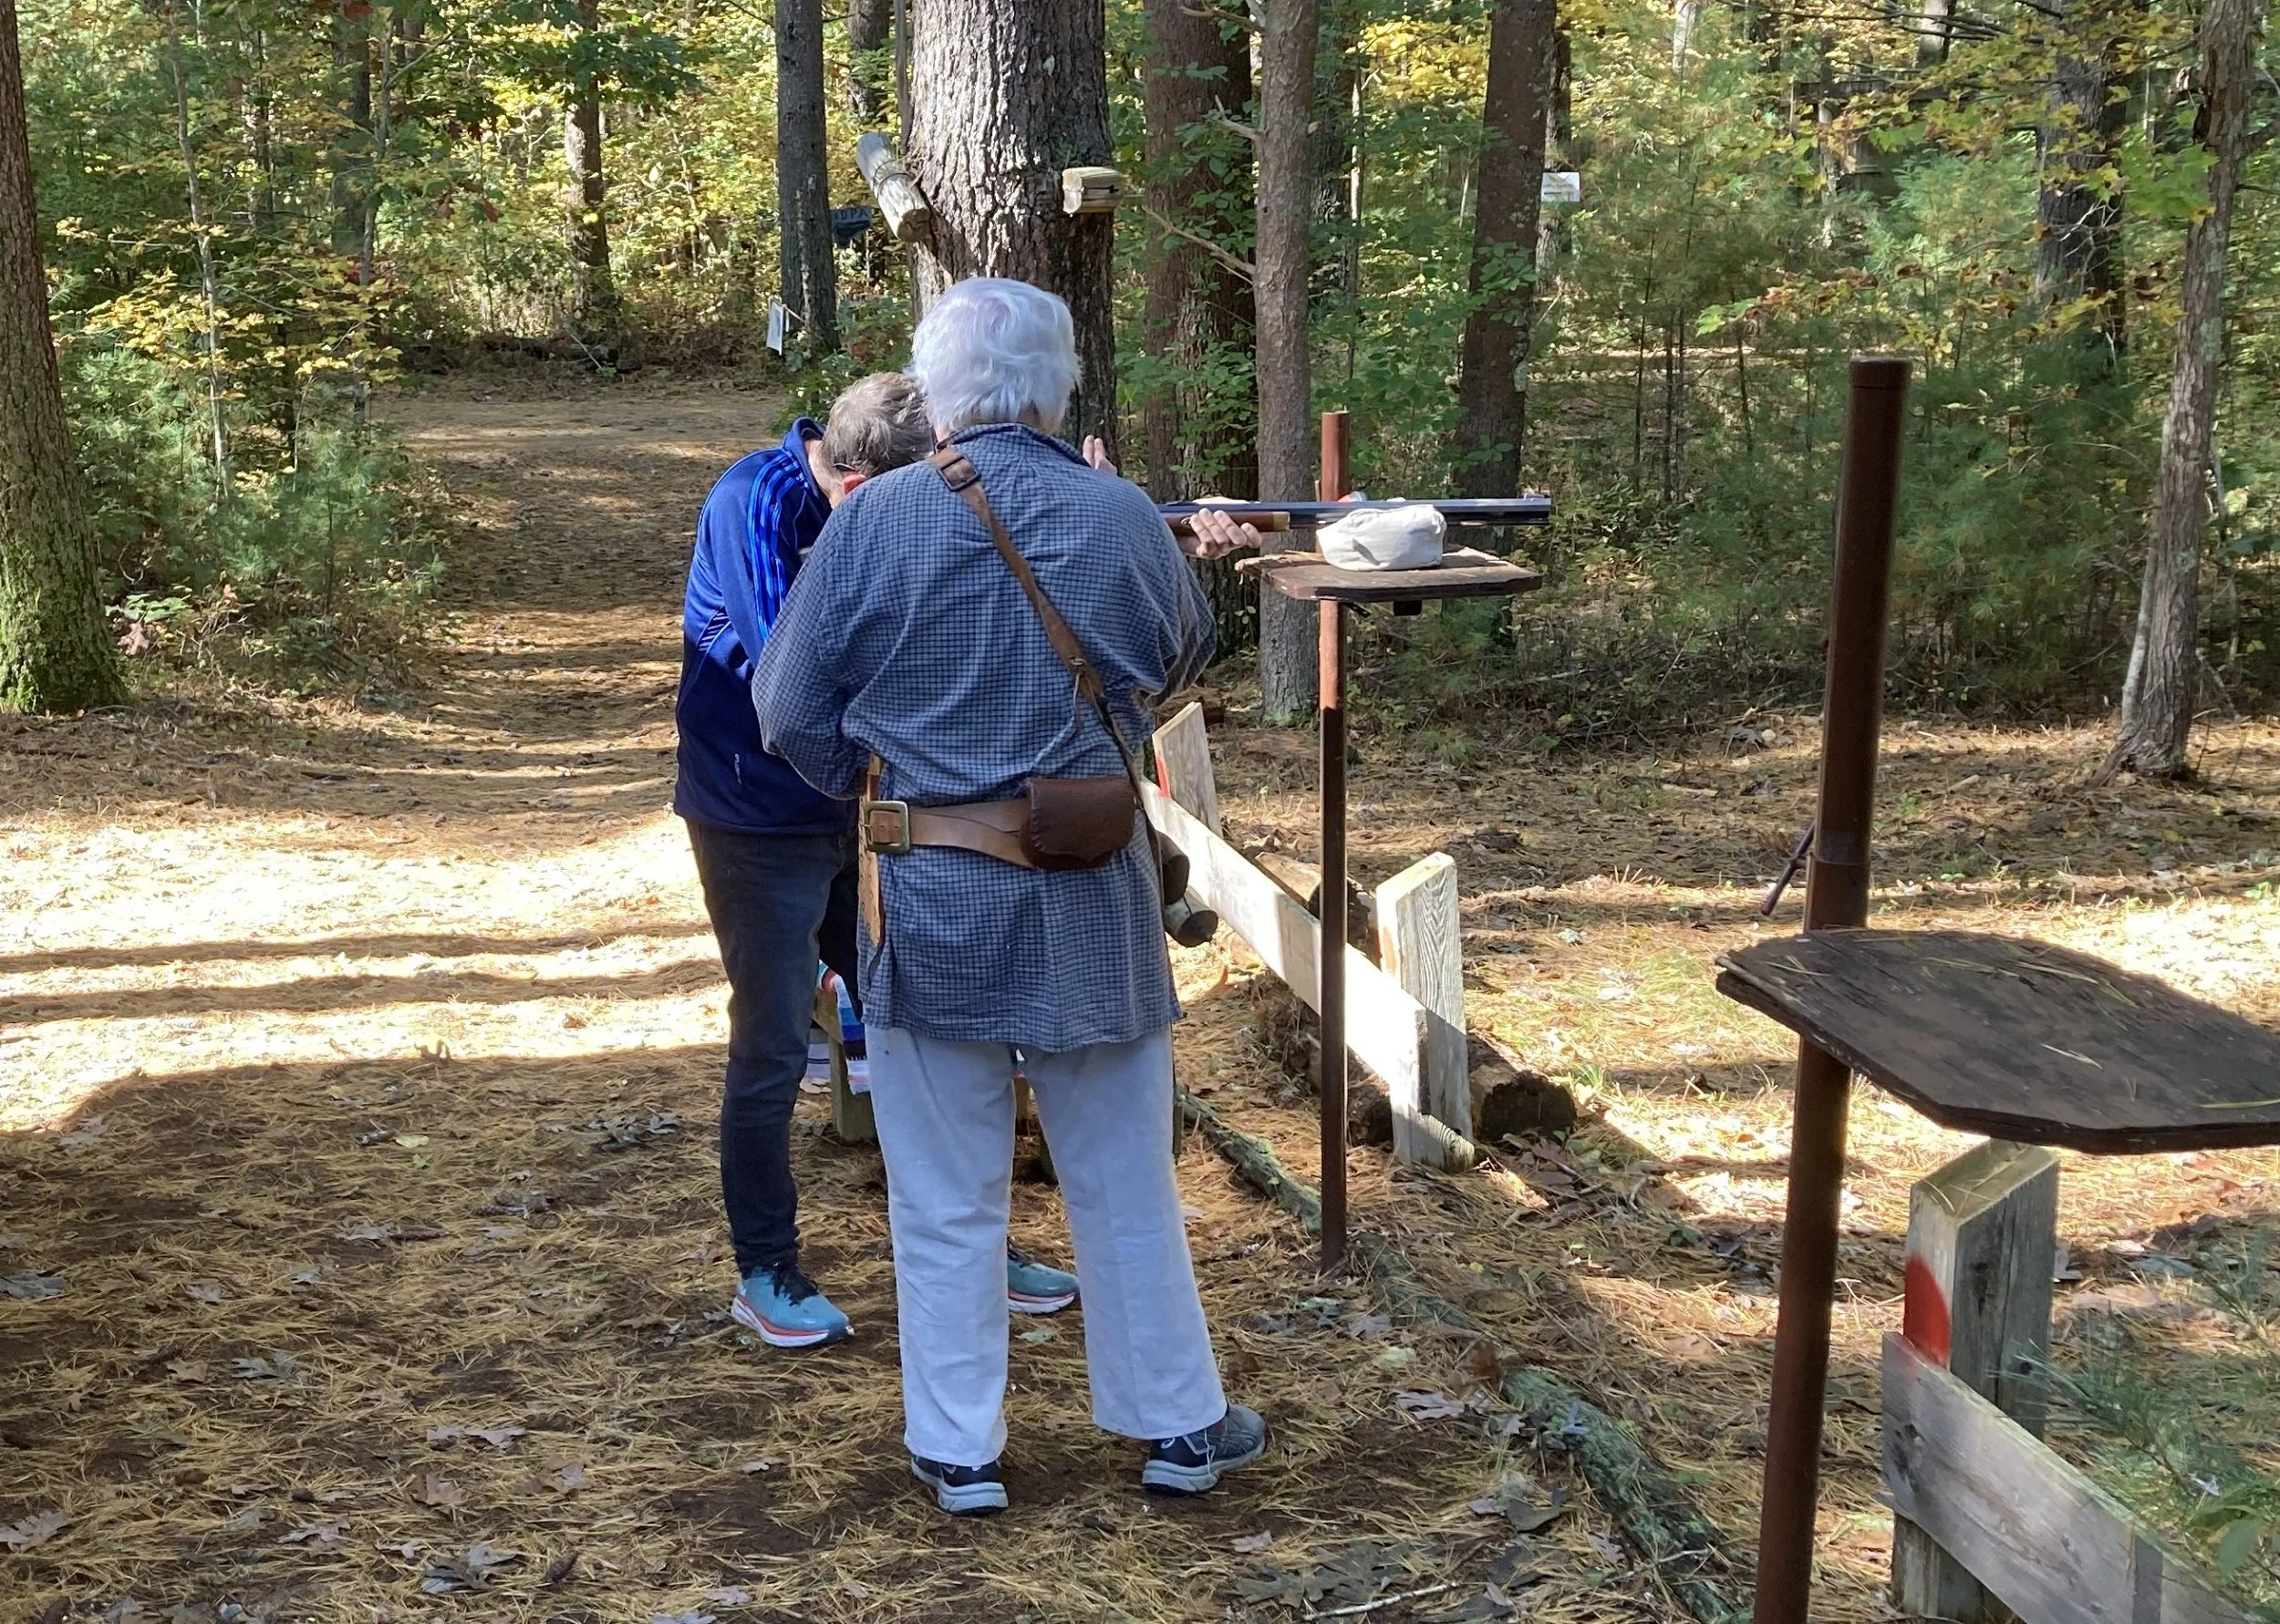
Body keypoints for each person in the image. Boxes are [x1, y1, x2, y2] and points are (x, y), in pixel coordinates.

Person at [751, 278, 1265, 1515]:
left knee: (944, 1193)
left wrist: (887, 794)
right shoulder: (1120, 513)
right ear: (1059, 383)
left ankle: (959, 1450)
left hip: (930, 899)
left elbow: (786, 712)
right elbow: (1184, 659)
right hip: (1091, 895)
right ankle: (1178, 1427)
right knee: (1125, 1178)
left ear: (935, 392)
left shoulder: (872, 525)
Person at [675, 372, 1082, 1351]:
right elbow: (790, 677)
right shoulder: (754, 501)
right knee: (773, 1042)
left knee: (922, 1021)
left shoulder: (889, 502)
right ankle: (766, 1268)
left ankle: (973, 1246)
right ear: (861, 489)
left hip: (865, 808)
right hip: (755, 816)